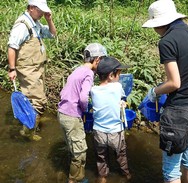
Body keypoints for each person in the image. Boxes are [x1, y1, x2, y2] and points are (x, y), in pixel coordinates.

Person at [142, 0, 188, 183]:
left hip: (180, 112)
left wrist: (155, 91)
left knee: (172, 169)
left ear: (160, 23)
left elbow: (175, 83)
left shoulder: (167, 41)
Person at [57, 43, 107, 183]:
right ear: (97, 60)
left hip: (62, 112)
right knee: (80, 152)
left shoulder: (78, 69)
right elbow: (83, 97)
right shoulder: (89, 73)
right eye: (102, 61)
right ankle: (75, 179)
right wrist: (85, 109)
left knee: (72, 147)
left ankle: (69, 172)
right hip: (72, 116)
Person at [7, 0, 56, 141]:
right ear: (31, 8)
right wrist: (12, 69)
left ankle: (31, 124)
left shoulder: (36, 23)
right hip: (28, 69)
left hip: (37, 67)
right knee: (38, 101)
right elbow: (12, 47)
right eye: (40, 10)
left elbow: (52, 35)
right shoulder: (22, 25)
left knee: (34, 99)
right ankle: (27, 132)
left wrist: (49, 20)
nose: (42, 13)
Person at [90, 56, 132, 183]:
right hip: (115, 132)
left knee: (101, 157)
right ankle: (126, 175)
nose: (119, 76)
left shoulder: (93, 90)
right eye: (118, 73)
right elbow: (122, 98)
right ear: (111, 76)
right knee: (121, 155)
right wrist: (122, 102)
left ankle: (102, 177)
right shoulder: (117, 87)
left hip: (99, 132)